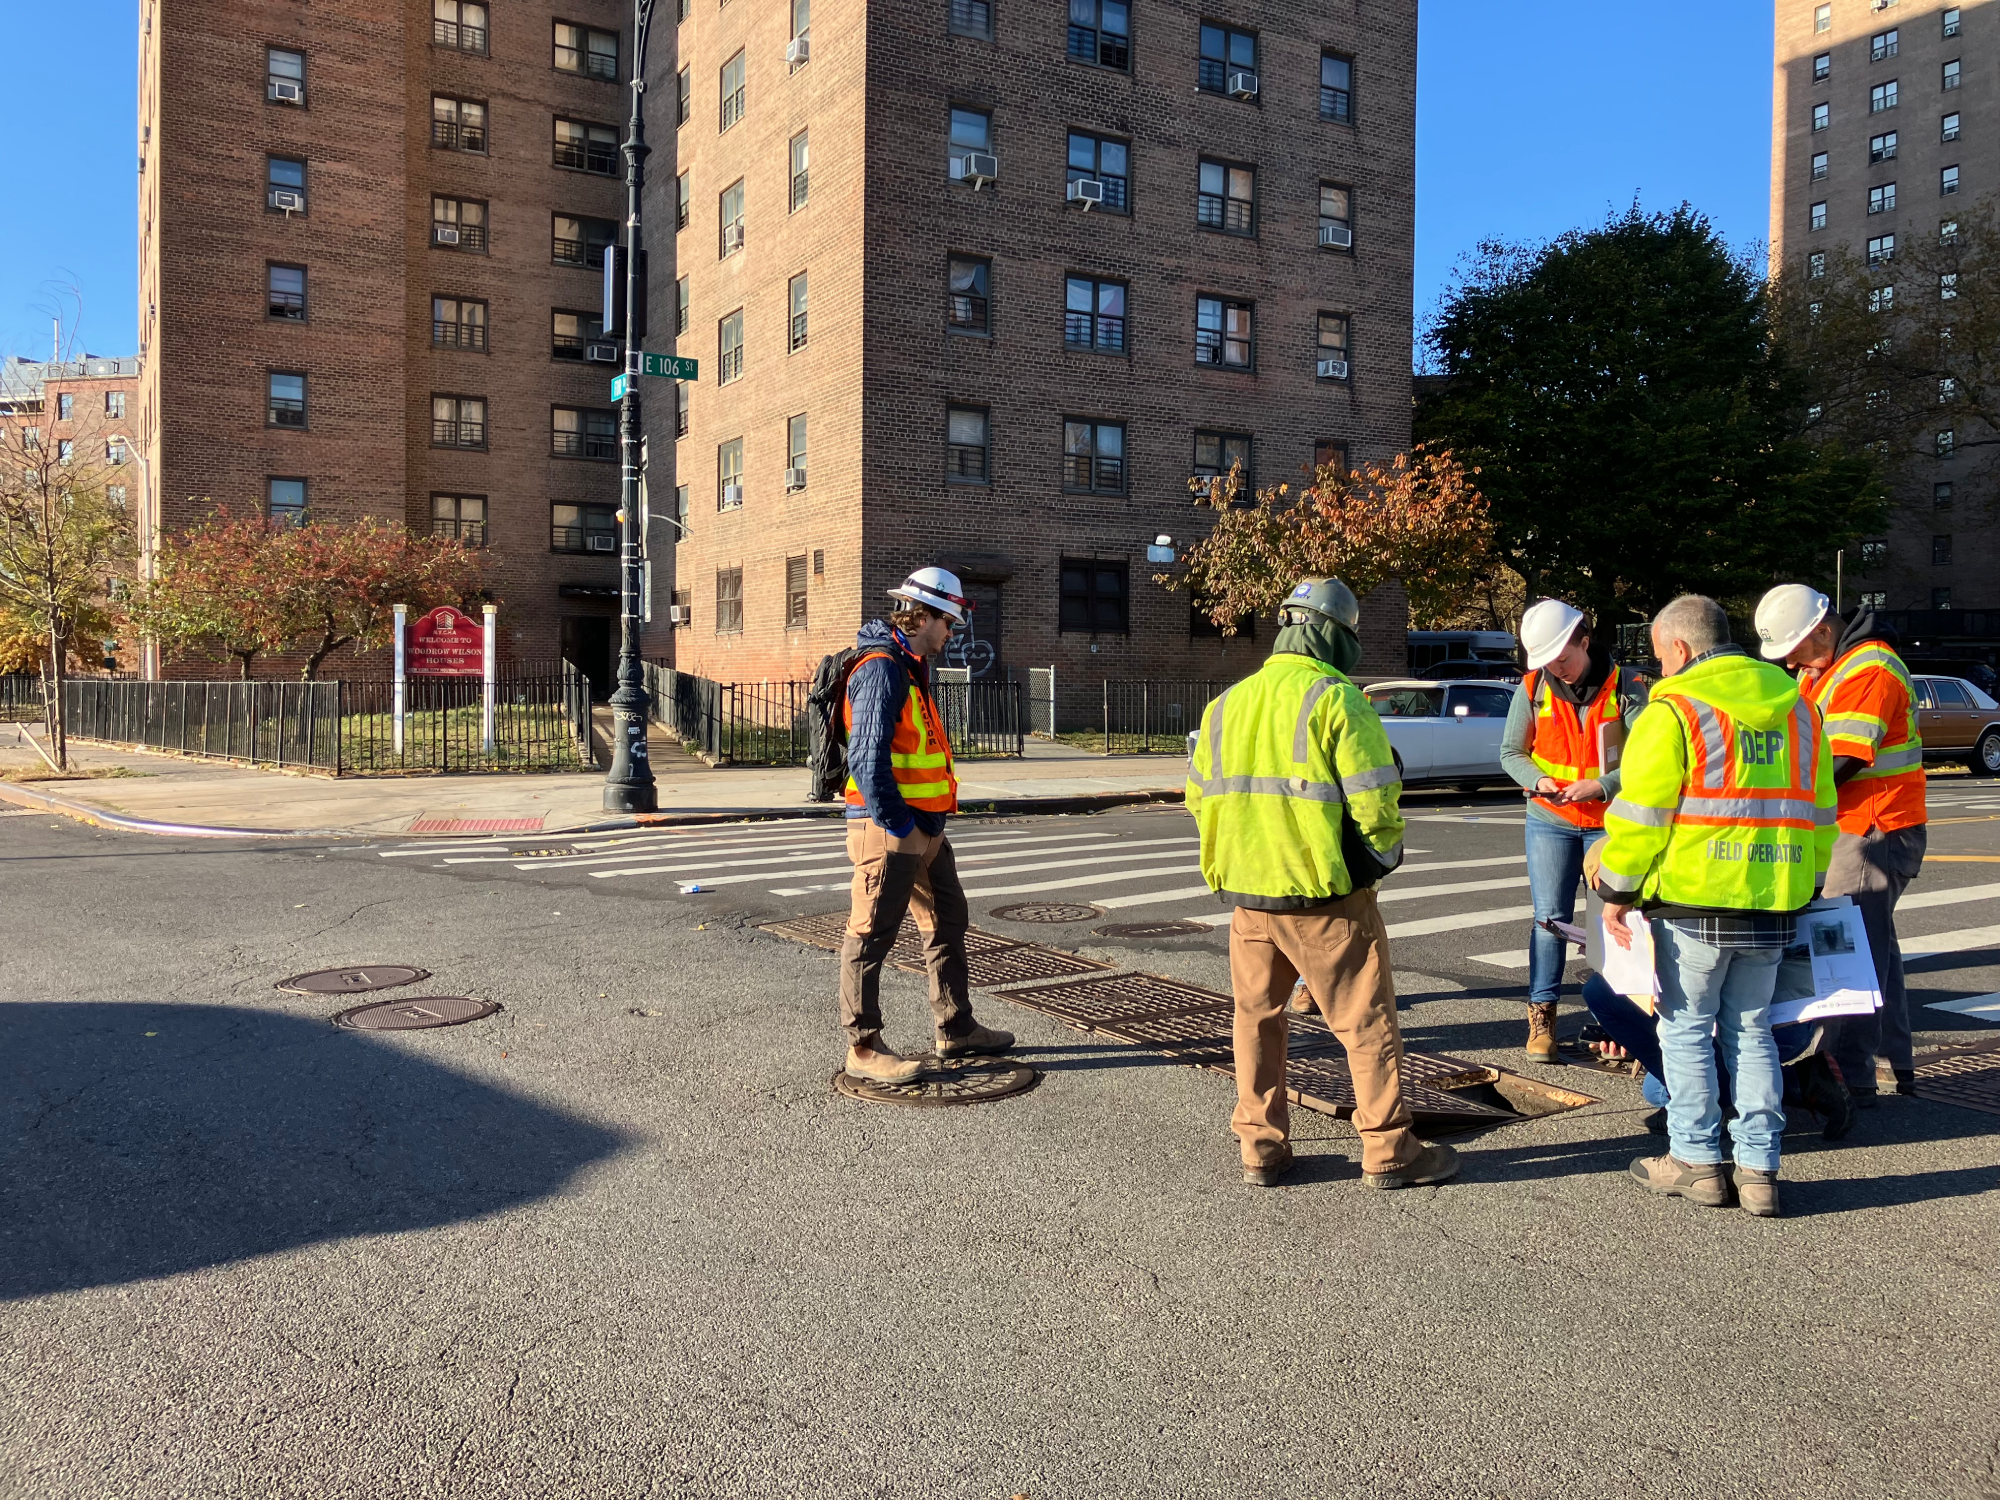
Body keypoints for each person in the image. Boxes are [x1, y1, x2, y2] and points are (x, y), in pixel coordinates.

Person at [1186, 577, 1460, 1191]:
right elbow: (1375, 799)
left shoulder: (1226, 703)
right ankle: (1389, 1148)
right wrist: (1378, 863)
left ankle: (1260, 1145)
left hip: (1250, 899)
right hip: (1324, 897)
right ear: (1330, 633)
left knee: (1256, 1021)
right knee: (1365, 1023)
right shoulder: (1337, 698)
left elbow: (1200, 800)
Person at [1595, 594, 1836, 1218]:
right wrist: (1805, 884)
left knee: (1685, 1033)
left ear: (1679, 649)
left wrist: (1615, 892)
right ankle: (1759, 1171)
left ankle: (1697, 1162)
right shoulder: (1800, 710)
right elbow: (1822, 813)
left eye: (1658, 656)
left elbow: (1642, 816)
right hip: (1776, 898)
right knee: (1751, 1030)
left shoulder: (1673, 710)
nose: (1658, 668)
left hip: (1694, 901)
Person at [837, 567, 1014, 1084]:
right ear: (924, 616)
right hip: (893, 828)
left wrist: (924, 827)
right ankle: (864, 1048)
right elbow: (868, 761)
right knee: (870, 932)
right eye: (949, 624)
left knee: (948, 917)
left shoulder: (909, 665)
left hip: (924, 827)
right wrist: (900, 827)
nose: (952, 634)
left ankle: (955, 1027)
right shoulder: (882, 668)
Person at [1755, 584, 1927, 1106]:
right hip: (1861, 826)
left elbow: (1843, 760)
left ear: (1823, 631)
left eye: (1794, 649)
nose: (1788, 661)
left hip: (1871, 826)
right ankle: (1893, 1066)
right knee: (1876, 953)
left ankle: (1848, 1079)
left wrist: (1781, 803)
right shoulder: (1828, 669)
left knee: (1846, 956)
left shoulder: (1868, 668)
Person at [1501, 598, 1650, 1062]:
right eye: (1546, 662)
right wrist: (1538, 781)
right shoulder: (1533, 688)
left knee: (1615, 924)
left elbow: (1651, 762)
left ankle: (1620, 1021)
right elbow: (1511, 754)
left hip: (1610, 823)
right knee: (1550, 920)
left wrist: (1602, 786)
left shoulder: (1630, 687)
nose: (1556, 669)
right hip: (1551, 819)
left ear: (1585, 642)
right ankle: (1542, 1017)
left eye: (1563, 659)